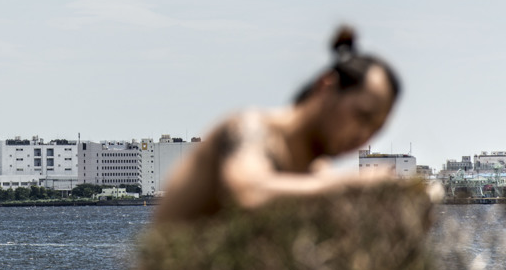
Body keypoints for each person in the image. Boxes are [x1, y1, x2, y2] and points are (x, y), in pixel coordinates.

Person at [154, 25, 401, 224]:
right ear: (327, 86)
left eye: (376, 129)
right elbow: (248, 193)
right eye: (362, 116)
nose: (363, 136)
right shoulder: (248, 129)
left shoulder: (316, 172)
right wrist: (351, 185)